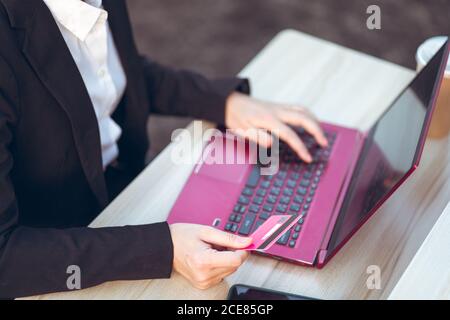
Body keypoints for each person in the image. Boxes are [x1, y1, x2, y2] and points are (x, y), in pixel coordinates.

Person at [0, 0, 327, 298]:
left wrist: (222, 101)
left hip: (127, 196)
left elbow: (111, 72)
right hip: (55, 260)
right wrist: (162, 249)